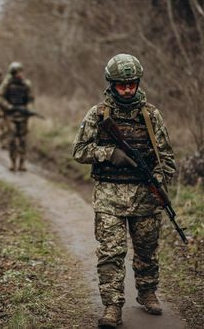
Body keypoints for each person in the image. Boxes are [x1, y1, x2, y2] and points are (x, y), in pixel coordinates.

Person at [72, 53, 176, 328]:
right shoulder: (98, 114)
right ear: (111, 83)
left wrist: (157, 176)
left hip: (145, 196)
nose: (128, 89)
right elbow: (79, 151)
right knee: (110, 253)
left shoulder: (151, 115)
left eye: (132, 83)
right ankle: (112, 306)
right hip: (109, 196)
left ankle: (147, 291)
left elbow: (166, 157)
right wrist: (108, 154)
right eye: (122, 84)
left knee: (147, 250)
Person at [0, 61, 34, 171]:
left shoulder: (26, 84)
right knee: (12, 139)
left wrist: (28, 109)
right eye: (16, 72)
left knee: (22, 140)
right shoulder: (6, 84)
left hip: (22, 115)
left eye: (20, 72)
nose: (19, 74)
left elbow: (31, 98)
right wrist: (8, 106)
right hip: (10, 115)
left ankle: (22, 163)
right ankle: (13, 162)